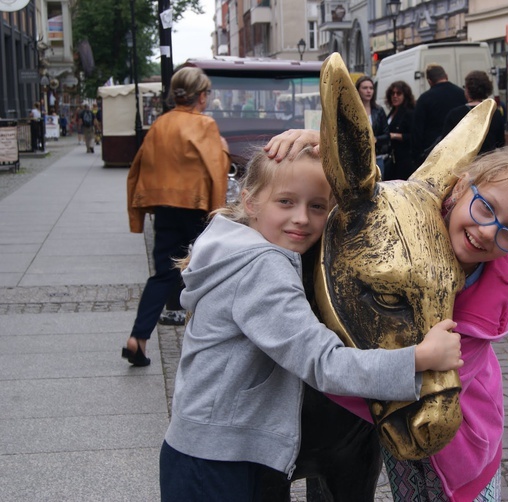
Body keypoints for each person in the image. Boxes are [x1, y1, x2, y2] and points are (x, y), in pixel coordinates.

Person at [158, 144, 463, 501]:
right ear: (251, 201)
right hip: (223, 462)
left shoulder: (230, 245)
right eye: (285, 202)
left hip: (206, 449)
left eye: (317, 206)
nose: (302, 218)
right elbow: (322, 362)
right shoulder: (262, 269)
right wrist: (419, 358)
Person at [267, 131, 508, 502]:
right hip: (403, 437)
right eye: (486, 208)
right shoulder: (423, 218)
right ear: (460, 187)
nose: (487, 232)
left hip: (457, 450)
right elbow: (380, 199)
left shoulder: (484, 308)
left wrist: (314, 361)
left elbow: (392, 381)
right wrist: (321, 149)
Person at [123, 66, 230, 367]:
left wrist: (138, 211)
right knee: (204, 274)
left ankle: (138, 338)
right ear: (201, 95)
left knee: (162, 275)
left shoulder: (161, 124)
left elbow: (138, 166)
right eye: (207, 93)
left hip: (165, 208)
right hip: (196, 208)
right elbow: (215, 172)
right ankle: (209, 343)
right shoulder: (205, 125)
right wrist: (219, 212)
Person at [411, 64, 466, 165]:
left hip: (433, 151)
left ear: (429, 81)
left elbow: (417, 130)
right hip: (458, 147)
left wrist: (417, 156)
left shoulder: (424, 98)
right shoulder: (461, 93)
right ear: (446, 75)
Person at [442, 70, 506, 155]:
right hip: (488, 161)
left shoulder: (455, 114)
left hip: (465, 163)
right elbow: (501, 142)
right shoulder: (494, 113)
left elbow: (446, 145)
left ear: (467, 90)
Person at [354, 75, 389, 172]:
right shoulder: (352, 111)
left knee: (379, 186)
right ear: (358, 90)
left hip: (376, 158)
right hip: (358, 159)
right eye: (365, 88)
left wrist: (376, 139)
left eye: (371, 88)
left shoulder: (378, 110)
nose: (368, 91)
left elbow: (387, 135)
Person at [384, 81, 416, 180]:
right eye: (392, 94)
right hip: (392, 158)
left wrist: (394, 136)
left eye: (398, 93)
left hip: (404, 159)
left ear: (405, 96)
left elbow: (413, 136)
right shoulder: (392, 112)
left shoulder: (409, 113)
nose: (395, 96)